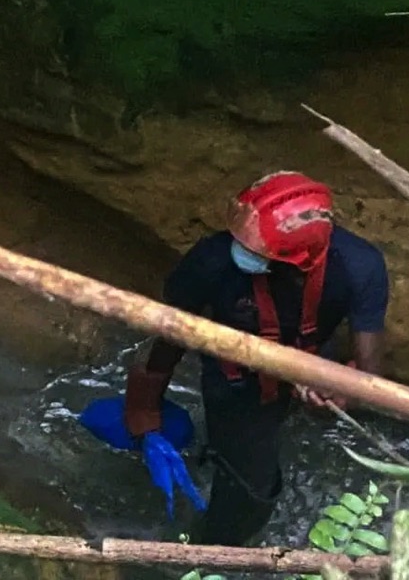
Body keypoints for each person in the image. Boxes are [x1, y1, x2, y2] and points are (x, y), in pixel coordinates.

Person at [122, 170, 389, 546]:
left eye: (253, 249)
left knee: (289, 427)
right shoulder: (212, 262)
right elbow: (172, 334)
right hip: (238, 378)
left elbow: (371, 372)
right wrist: (144, 406)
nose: (239, 250)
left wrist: (341, 393)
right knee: (251, 494)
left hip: (310, 357)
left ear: (297, 261)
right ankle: (205, 554)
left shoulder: (359, 266)